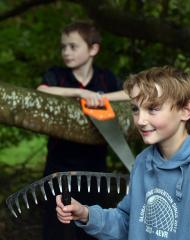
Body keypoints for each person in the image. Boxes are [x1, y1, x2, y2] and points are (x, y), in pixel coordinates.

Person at [55, 66, 190, 240]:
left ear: (185, 111)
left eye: (153, 109)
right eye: (135, 109)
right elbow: (127, 222)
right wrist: (85, 214)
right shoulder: (143, 162)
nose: (140, 120)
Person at [37, 21, 127, 240]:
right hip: (59, 168)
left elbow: (130, 94)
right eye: (63, 47)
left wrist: (101, 98)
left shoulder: (105, 79)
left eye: (73, 46)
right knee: (57, 228)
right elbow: (42, 90)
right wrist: (80, 94)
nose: (66, 52)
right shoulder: (57, 75)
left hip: (95, 169)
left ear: (93, 49)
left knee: (93, 226)